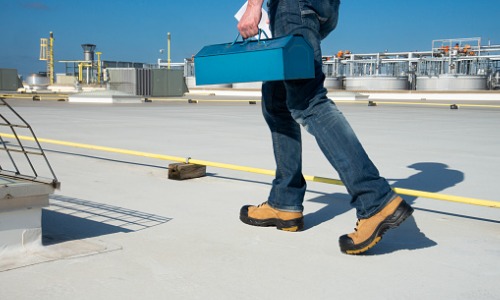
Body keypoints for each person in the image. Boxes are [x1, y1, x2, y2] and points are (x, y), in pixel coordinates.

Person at [237, 0, 414, 255]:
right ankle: (284, 202)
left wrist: (254, 5)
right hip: (316, 8)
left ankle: (375, 199)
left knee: (308, 102)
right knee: (276, 102)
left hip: (292, 7)